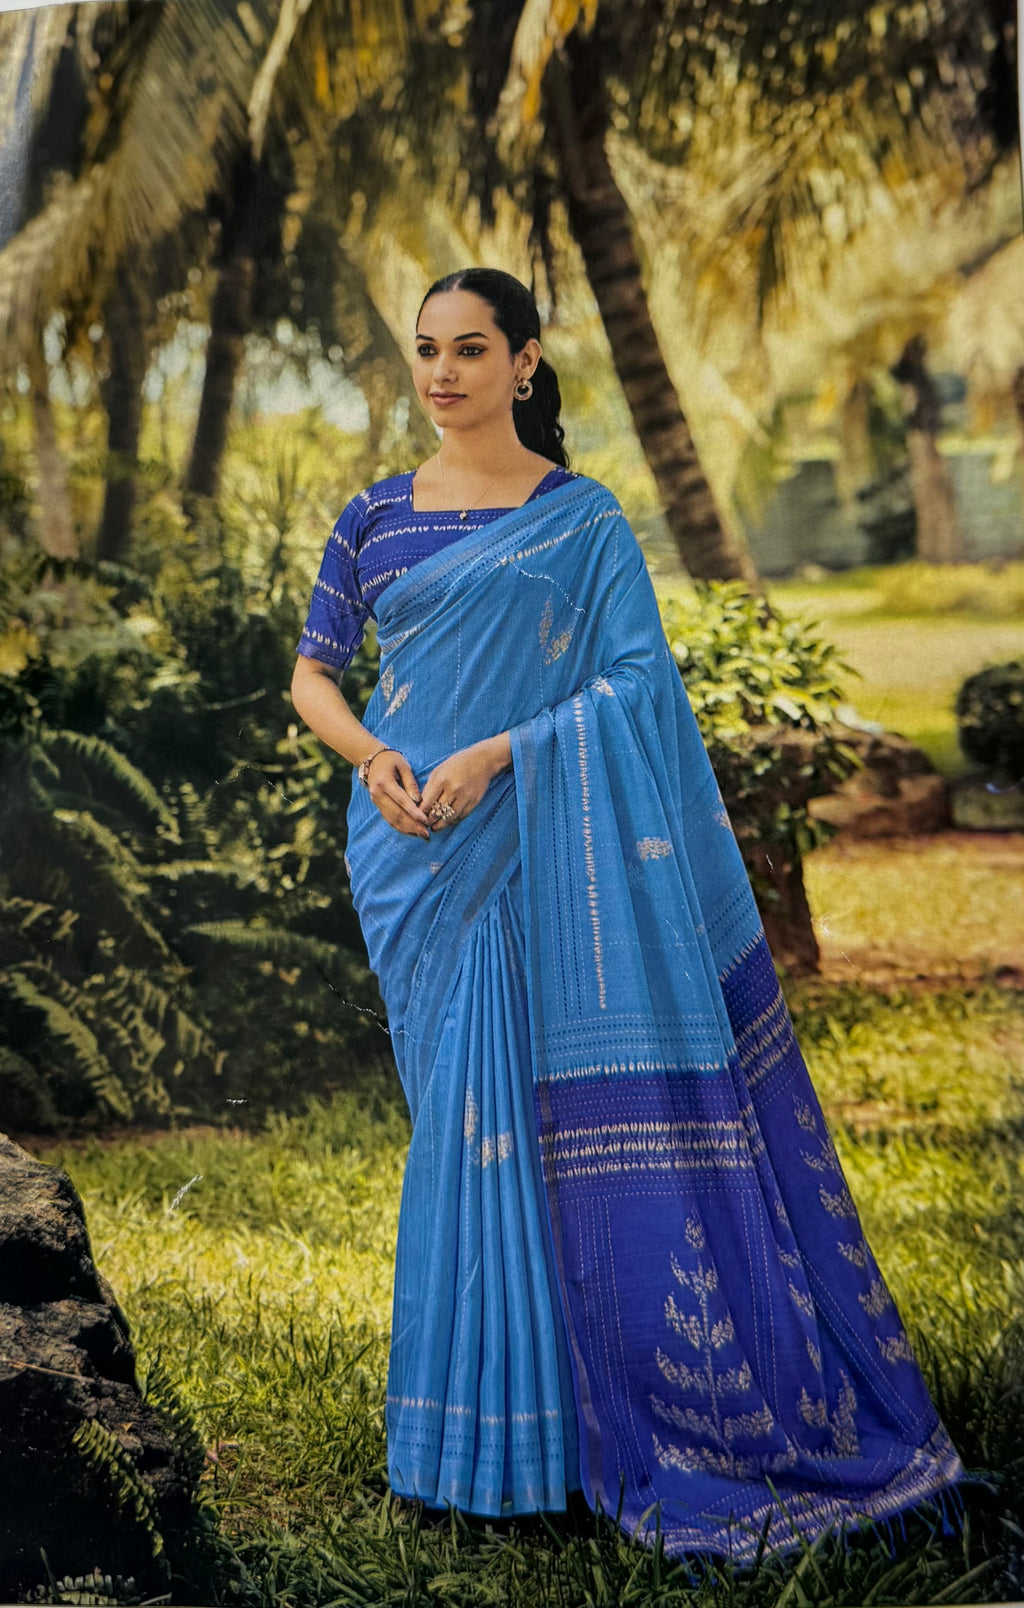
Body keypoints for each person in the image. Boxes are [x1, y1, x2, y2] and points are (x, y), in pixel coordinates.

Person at [291, 267, 961, 1560]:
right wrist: (372, 760)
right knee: (460, 1136)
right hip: (412, 852)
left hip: (535, 838)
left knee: (533, 1136)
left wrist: (504, 754)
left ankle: (554, 1449)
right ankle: (468, 1449)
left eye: (470, 349)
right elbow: (314, 676)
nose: (442, 373)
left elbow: (639, 683)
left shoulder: (581, 519)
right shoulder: (374, 515)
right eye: (427, 350)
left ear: (524, 363)